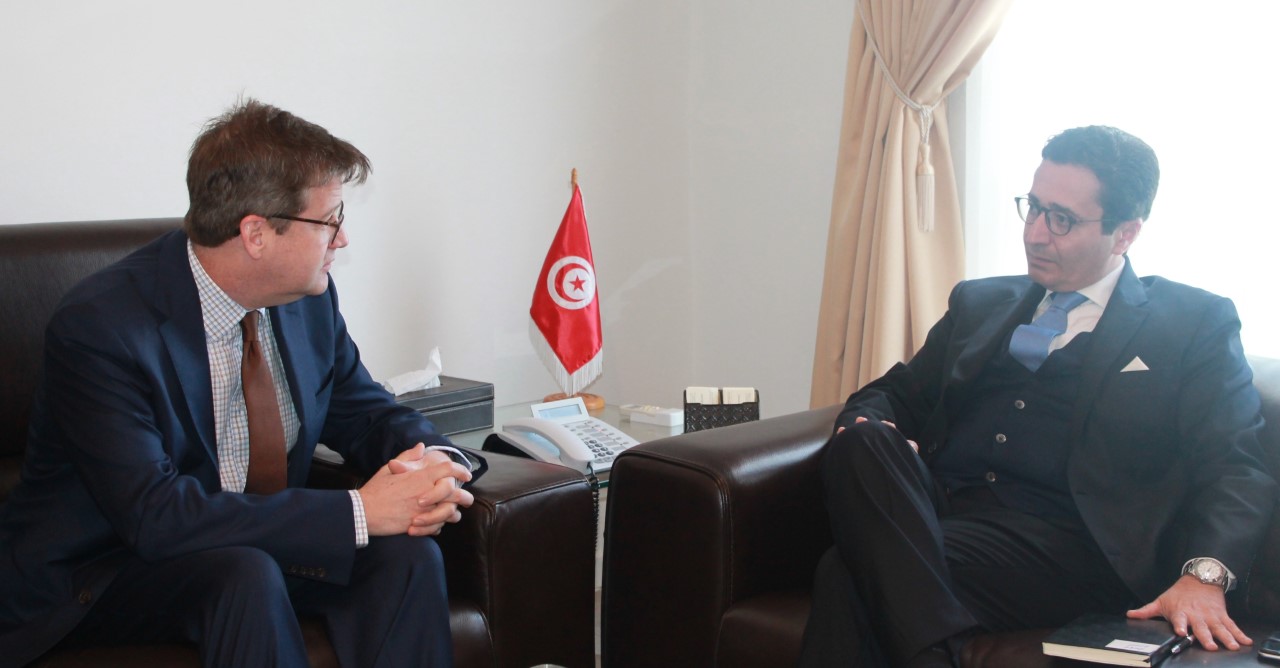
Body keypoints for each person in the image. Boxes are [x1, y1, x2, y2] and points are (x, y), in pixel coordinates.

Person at [0, 99, 484, 667]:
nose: (342, 240)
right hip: (104, 572)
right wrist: (359, 511)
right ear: (256, 233)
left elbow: (364, 411)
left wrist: (437, 465)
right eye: (330, 221)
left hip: (252, 543)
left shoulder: (306, 299)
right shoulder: (103, 328)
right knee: (243, 573)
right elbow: (155, 516)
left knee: (405, 556)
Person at [798, 125, 1277, 667]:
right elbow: (893, 393)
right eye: (1034, 208)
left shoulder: (1192, 323)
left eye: (1062, 219)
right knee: (860, 442)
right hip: (942, 515)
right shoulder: (980, 302)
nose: (1035, 234)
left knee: (846, 570)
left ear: (1124, 234)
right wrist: (872, 427)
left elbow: (1237, 465)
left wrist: (1204, 575)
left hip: (1071, 549)